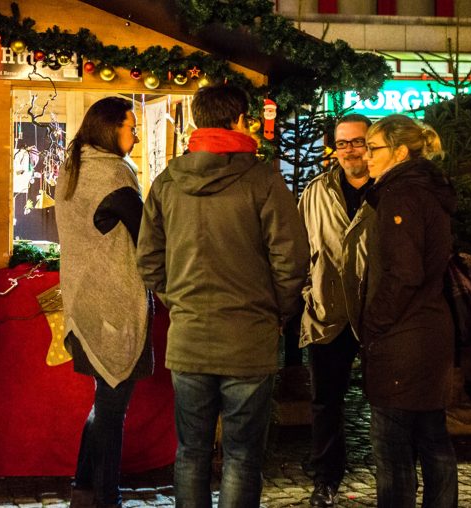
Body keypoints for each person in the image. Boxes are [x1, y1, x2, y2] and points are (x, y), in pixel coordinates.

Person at [137, 84, 309, 507]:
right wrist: (277, 312)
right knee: (242, 455)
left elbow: (148, 260)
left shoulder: (167, 182)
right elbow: (292, 259)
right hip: (249, 339)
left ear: (196, 120)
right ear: (239, 119)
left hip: (190, 337)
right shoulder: (263, 180)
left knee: (191, 451)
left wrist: (177, 301)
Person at [55, 97, 153, 508]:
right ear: (111, 128)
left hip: (84, 303)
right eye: (131, 127)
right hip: (113, 307)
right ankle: (106, 498)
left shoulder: (74, 166)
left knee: (105, 401)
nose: (135, 136)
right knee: (113, 410)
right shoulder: (113, 174)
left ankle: (82, 486)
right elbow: (147, 238)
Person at [361, 114, 457, 507]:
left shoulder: (401, 194)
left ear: (399, 152)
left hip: (404, 340)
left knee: (395, 451)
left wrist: (374, 323)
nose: (366, 157)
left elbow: (404, 273)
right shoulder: (426, 189)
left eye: (373, 148)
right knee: (433, 438)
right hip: (428, 334)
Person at [298, 114, 376, 507]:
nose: (348, 150)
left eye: (356, 142)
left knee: (386, 401)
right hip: (327, 311)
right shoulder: (315, 192)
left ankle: (393, 473)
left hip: (378, 314)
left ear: (371, 143)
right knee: (326, 399)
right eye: (342, 143)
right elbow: (298, 248)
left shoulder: (388, 189)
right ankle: (326, 477)